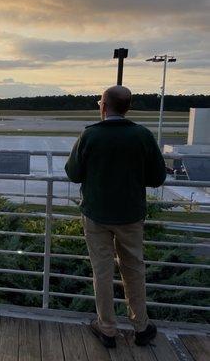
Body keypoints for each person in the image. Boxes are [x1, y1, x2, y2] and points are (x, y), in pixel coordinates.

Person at [65, 85, 166, 348]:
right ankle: (141, 326)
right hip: (131, 215)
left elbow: (73, 173)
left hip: (96, 215)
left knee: (102, 272)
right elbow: (158, 177)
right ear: (127, 108)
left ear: (103, 106)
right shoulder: (142, 135)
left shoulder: (90, 135)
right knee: (134, 270)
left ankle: (107, 328)